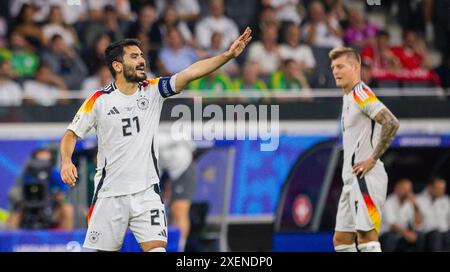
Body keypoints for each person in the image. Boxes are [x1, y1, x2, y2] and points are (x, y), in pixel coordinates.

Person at [59, 28, 252, 252]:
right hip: (109, 194)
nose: (141, 60)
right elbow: (70, 134)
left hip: (146, 192)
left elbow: (190, 73)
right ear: (117, 66)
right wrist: (66, 161)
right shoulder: (98, 100)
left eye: (141, 55)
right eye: (134, 56)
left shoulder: (152, 90)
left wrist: (226, 56)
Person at [329, 47, 400, 252]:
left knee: (367, 239)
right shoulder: (349, 96)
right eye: (333, 67)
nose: (335, 71)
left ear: (355, 67)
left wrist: (371, 159)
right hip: (351, 180)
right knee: (341, 240)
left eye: (340, 66)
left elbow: (391, 123)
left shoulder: (361, 93)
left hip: (366, 177)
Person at [7, 148, 73, 230]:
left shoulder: (53, 172)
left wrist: (59, 196)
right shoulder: (26, 173)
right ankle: (13, 240)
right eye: (40, 160)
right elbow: (17, 191)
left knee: (68, 210)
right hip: (27, 205)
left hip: (50, 205)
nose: (42, 163)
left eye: (46, 160)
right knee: (15, 214)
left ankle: (65, 240)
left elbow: (64, 189)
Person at [158, 132, 197, 252]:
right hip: (157, 170)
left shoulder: (175, 131)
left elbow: (192, 149)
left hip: (181, 167)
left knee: (178, 209)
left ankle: (179, 247)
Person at [380, 178, 423, 252]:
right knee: (392, 238)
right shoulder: (388, 202)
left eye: (409, 190)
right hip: (387, 234)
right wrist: (406, 234)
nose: (407, 192)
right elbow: (392, 225)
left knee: (420, 235)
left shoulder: (408, 203)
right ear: (396, 188)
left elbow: (417, 224)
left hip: (402, 234)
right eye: (404, 189)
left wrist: (415, 206)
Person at [416, 177, 450, 252]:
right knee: (436, 236)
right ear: (430, 188)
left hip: (445, 234)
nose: (442, 191)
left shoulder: (446, 200)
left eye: (443, 189)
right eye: (439, 189)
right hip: (427, 234)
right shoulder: (418, 200)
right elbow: (417, 225)